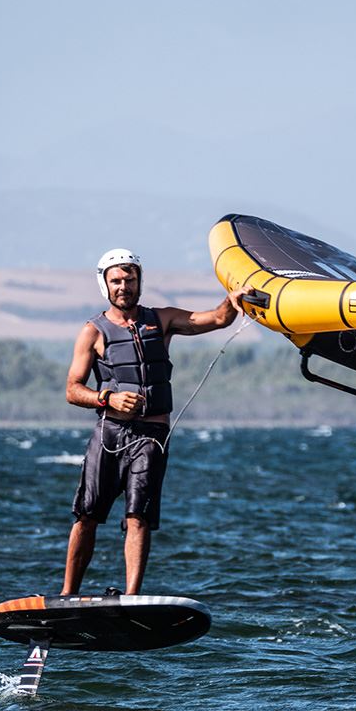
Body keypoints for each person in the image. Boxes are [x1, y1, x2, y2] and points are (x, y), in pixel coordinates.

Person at [62, 248, 254, 596]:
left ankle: (132, 597)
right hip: (110, 434)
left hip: (152, 436)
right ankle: (67, 594)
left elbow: (216, 319)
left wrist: (232, 299)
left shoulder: (162, 320)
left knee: (139, 516)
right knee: (87, 515)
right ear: (105, 284)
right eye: (116, 281)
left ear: (139, 281)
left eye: (130, 279)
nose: (124, 287)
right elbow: (72, 390)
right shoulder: (93, 331)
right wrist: (107, 398)